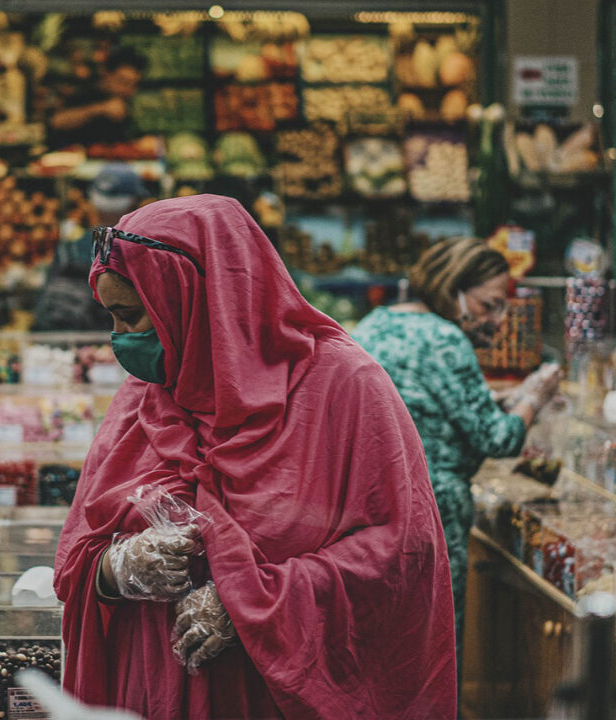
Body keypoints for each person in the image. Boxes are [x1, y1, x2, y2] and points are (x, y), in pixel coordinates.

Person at [54, 195, 457, 719]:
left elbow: (401, 551)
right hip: (155, 690)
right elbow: (78, 553)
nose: (122, 340)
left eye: (134, 317)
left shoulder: (342, 385)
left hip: (275, 695)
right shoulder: (147, 392)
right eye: (113, 318)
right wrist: (118, 568)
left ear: (198, 300)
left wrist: (252, 603)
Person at [352, 237, 561, 665]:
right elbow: (497, 438)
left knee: (383, 649)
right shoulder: (446, 339)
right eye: (489, 305)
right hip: (434, 513)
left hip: (370, 508)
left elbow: (429, 403)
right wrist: (534, 397)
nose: (498, 320)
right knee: (434, 648)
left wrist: (503, 399)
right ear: (454, 290)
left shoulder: (374, 324)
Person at [33, 164, 146, 331]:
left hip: (65, 344)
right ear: (135, 202)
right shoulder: (142, 249)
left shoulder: (69, 248)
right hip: (112, 342)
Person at [48, 45, 146, 148]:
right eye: (123, 82)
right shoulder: (85, 91)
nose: (128, 90)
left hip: (112, 160)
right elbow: (56, 122)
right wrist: (100, 109)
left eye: (133, 85)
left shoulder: (126, 101)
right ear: (106, 74)